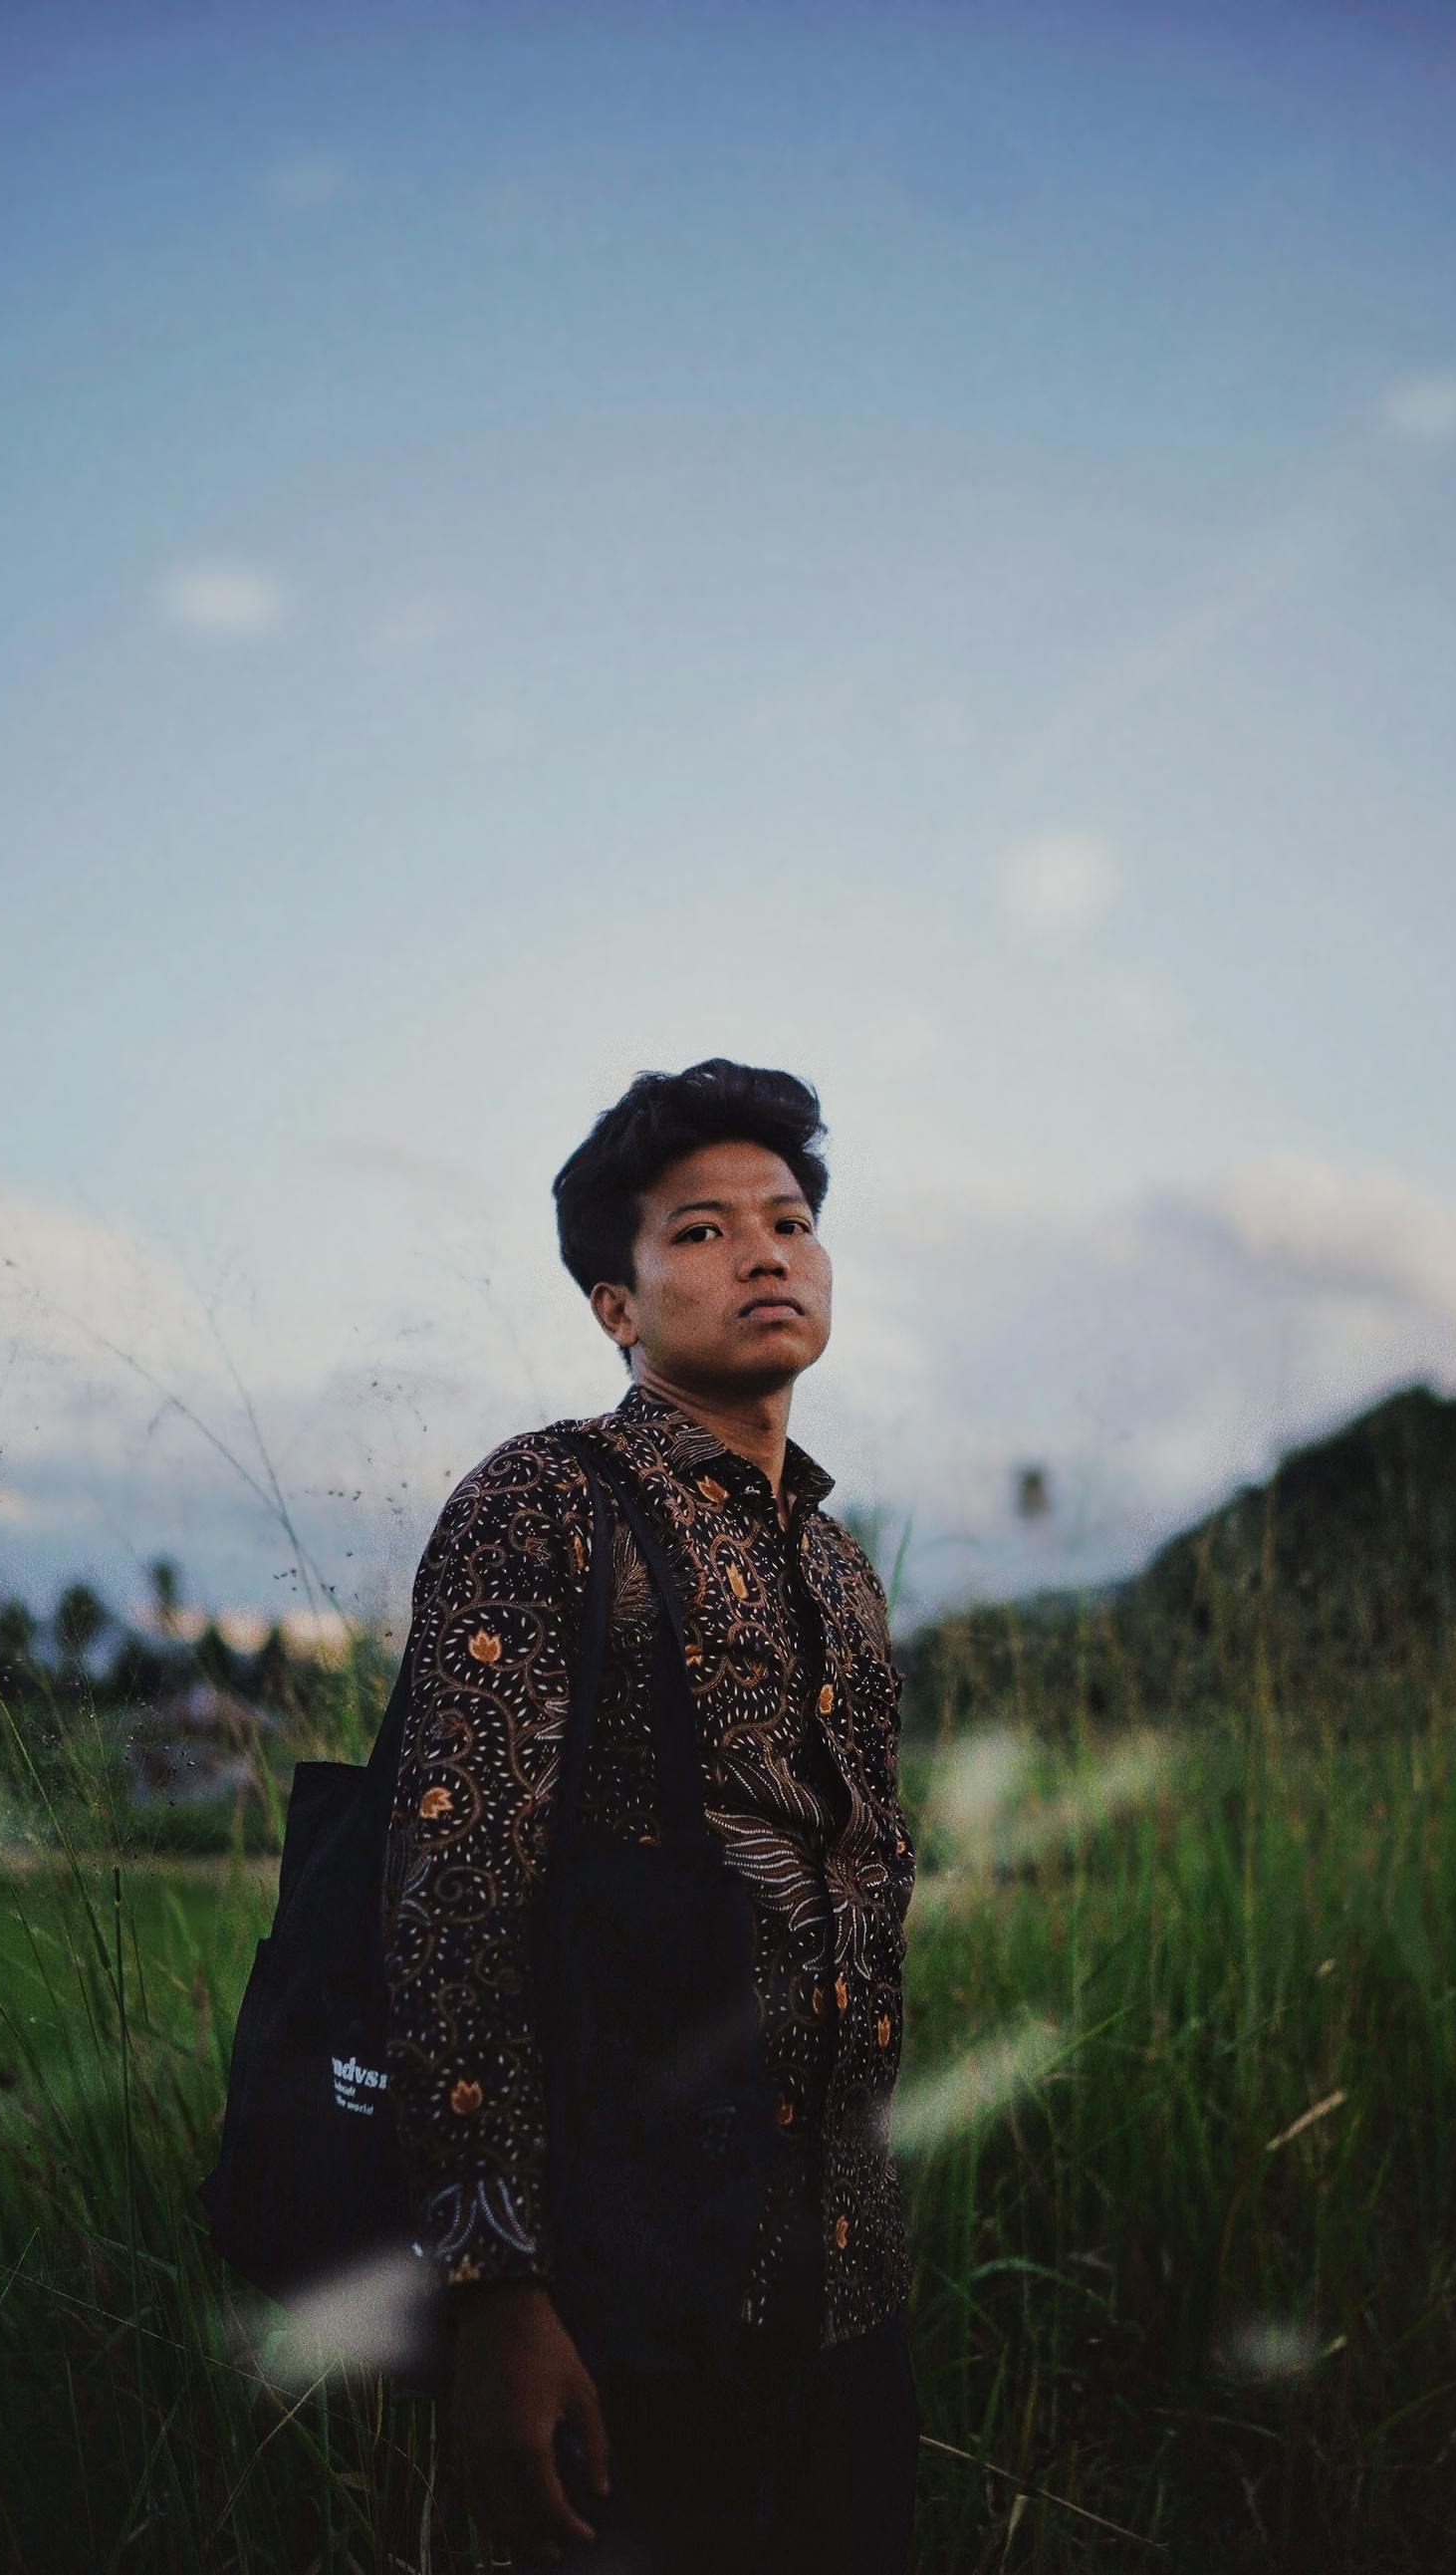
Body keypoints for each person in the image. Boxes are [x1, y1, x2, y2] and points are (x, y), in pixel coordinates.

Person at [380, 1059, 921, 2572]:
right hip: (629, 2293)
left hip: (849, 2288)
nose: (765, 1252)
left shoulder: (839, 1567)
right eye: (698, 1231)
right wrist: (497, 2291)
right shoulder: (546, 1504)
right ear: (615, 1304)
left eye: (792, 1219)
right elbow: (455, 1894)